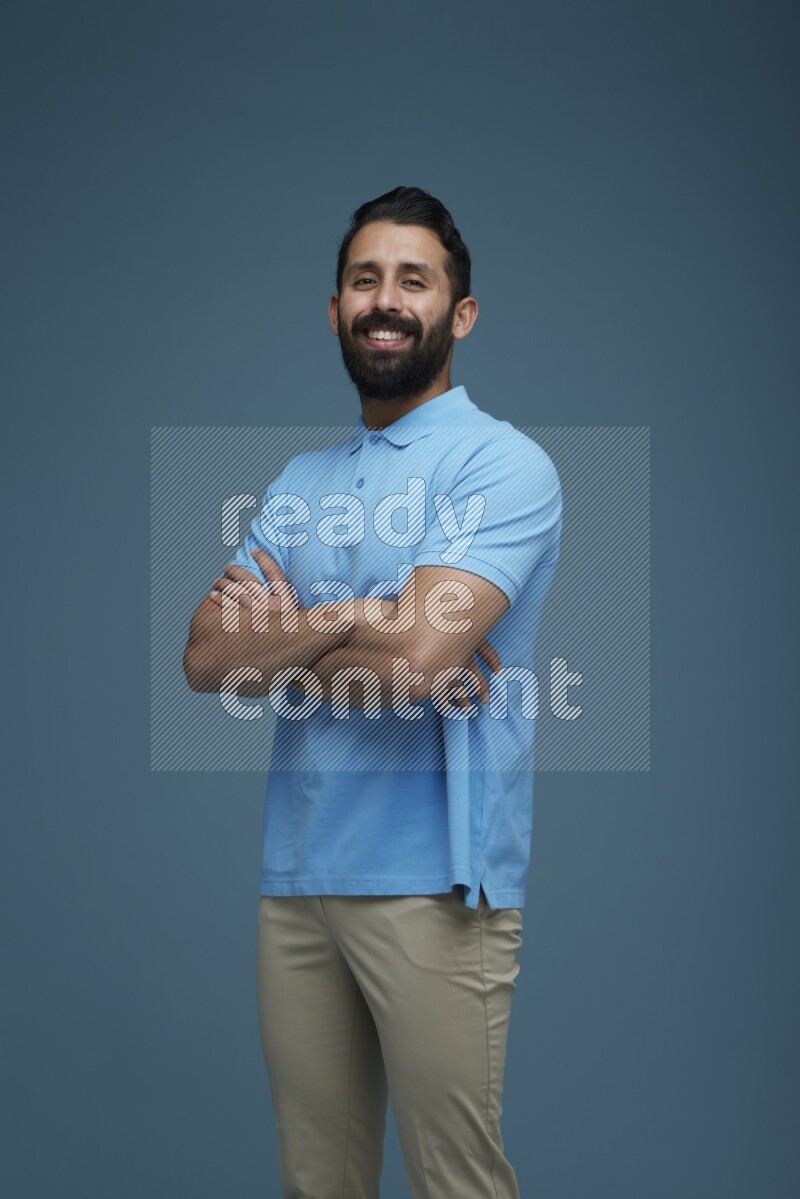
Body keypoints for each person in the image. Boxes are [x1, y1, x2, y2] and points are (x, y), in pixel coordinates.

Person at [183, 185, 563, 1199]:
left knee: (455, 1182)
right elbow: (205, 658)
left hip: (435, 884)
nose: (384, 299)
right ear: (335, 309)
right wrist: (354, 614)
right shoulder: (299, 480)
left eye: (412, 278)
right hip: (298, 877)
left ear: (459, 313)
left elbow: (415, 670)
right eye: (363, 279)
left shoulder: (501, 463)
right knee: (317, 1181)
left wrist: (291, 637)